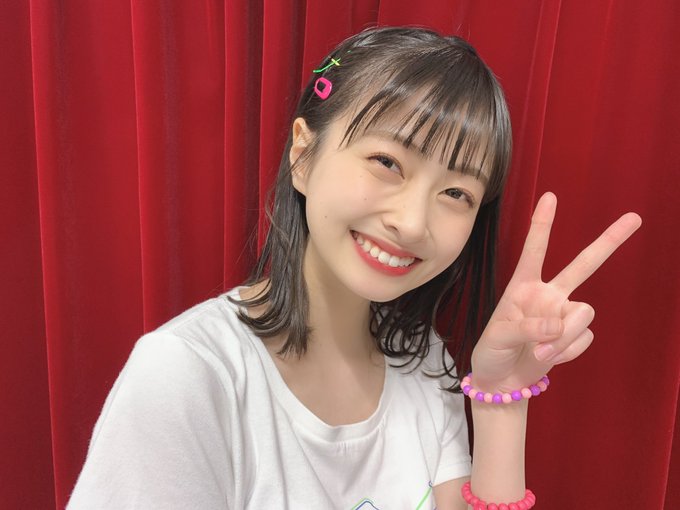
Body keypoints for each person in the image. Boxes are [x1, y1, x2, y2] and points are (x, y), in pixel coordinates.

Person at [67, 26, 641, 509]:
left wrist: (502, 400)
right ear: (302, 155)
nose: (412, 223)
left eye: (456, 193)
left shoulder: (425, 361)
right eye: (387, 161)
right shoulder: (189, 375)